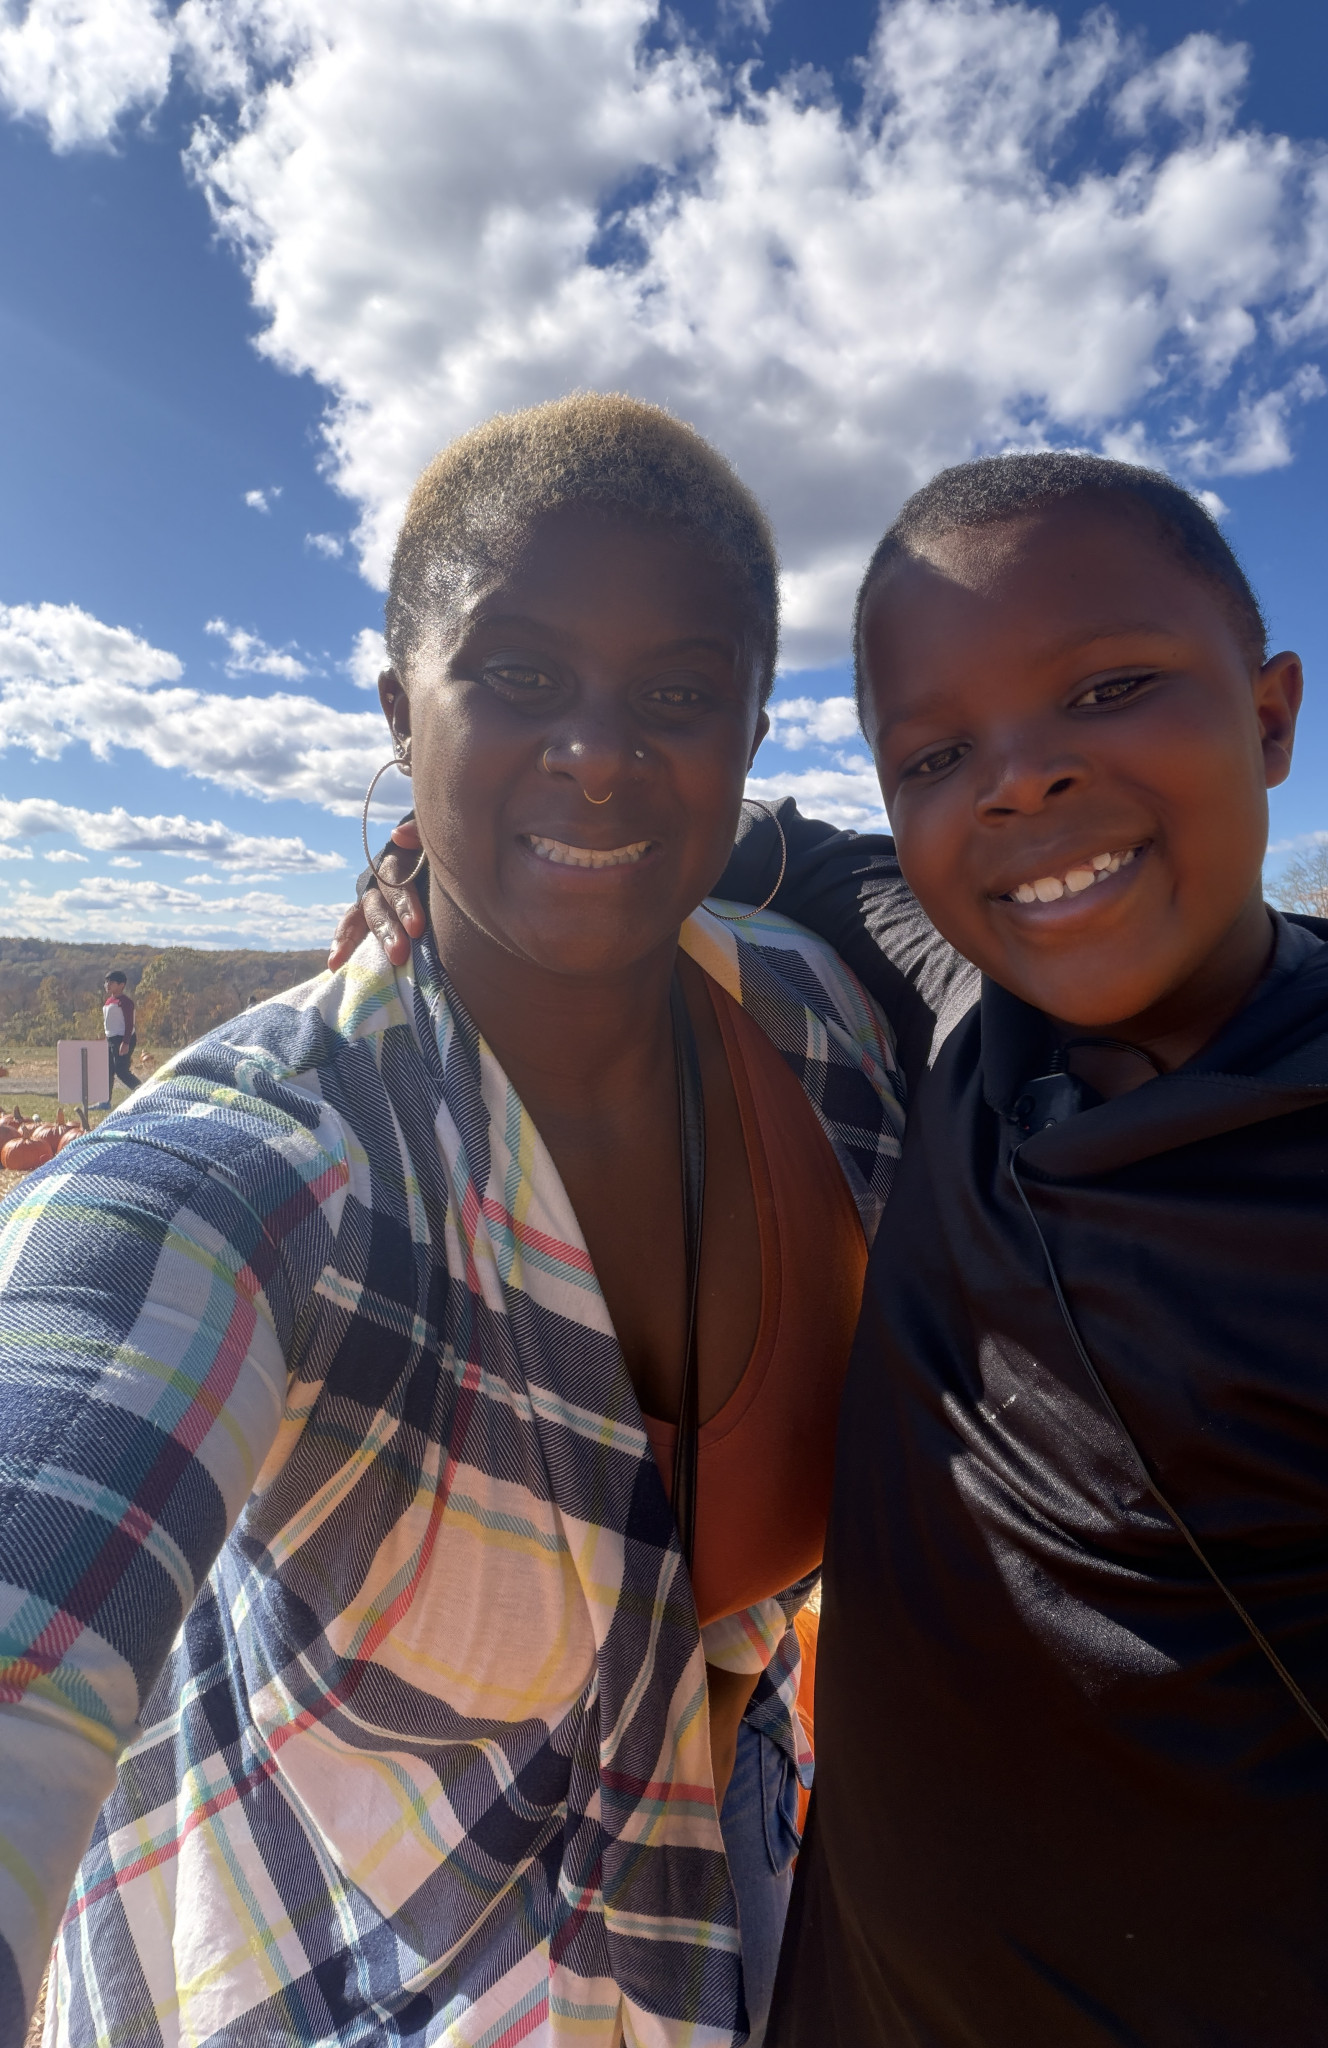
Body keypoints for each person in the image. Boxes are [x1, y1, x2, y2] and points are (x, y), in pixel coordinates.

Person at [338, 453, 1328, 2045]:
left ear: (1270, 716)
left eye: (1108, 689)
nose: (1019, 782)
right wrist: (449, 846)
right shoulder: (968, 1009)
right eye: (936, 753)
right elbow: (747, 837)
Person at [0, 396, 904, 2048]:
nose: (600, 752)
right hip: (317, 1970)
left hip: (738, 1904)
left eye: (679, 695)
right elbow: (46, 1532)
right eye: (519, 674)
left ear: (751, 737)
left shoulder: (830, 1042)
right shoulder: (269, 1159)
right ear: (397, 705)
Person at [100, 970, 138, 1098]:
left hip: (122, 1038)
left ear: (121, 985)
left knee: (121, 1071)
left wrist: (125, 1042)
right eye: (106, 982)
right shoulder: (108, 1001)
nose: (107, 985)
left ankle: (143, 1092)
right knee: (108, 1070)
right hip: (111, 1039)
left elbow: (129, 1023)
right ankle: (105, 1100)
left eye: (111, 982)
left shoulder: (125, 1002)